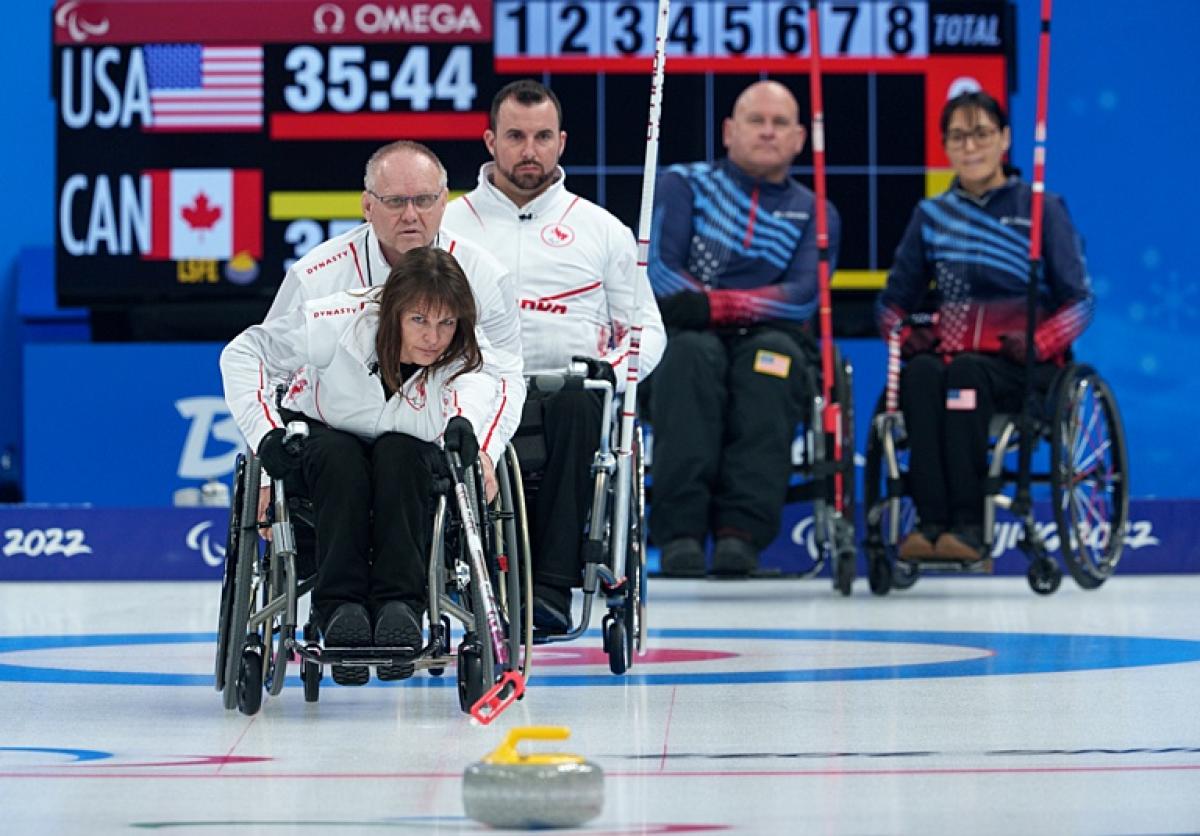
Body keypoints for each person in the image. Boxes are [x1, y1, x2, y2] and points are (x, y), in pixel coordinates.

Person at [443, 79, 666, 633]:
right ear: (490, 140)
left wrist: (613, 374)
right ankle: (470, 576)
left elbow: (647, 329)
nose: (529, 150)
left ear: (561, 142)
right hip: (476, 388)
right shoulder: (446, 224)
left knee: (579, 402)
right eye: (515, 136)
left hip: (566, 395)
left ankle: (547, 590)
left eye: (542, 136)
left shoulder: (602, 230)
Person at [221, 247, 496, 686]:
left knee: (400, 454)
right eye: (419, 320)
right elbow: (242, 354)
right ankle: (338, 610)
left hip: (405, 452)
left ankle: (400, 609)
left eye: (446, 323)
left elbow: (480, 386)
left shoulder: (460, 350)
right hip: (326, 435)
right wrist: (265, 433)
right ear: (392, 314)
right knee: (342, 459)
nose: (434, 337)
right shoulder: (333, 322)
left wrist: (469, 424)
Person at [877, 90, 1093, 562]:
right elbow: (892, 301)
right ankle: (932, 525)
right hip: (951, 360)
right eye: (958, 136)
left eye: (981, 134)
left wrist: (1039, 343)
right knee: (922, 374)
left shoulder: (1042, 209)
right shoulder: (931, 216)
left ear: (1005, 140)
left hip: (1022, 368)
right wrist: (904, 333)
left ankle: (970, 529)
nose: (970, 146)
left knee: (966, 375)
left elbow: (1080, 301)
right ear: (946, 146)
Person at [648, 79, 840, 578]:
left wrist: (714, 306)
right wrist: (732, 308)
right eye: (757, 120)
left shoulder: (817, 214)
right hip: (686, 338)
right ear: (730, 130)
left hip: (769, 342)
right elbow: (659, 272)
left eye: (781, 123)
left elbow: (803, 295)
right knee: (690, 357)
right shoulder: (681, 184)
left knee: (767, 367)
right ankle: (681, 535)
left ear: (799, 138)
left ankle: (741, 536)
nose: (769, 132)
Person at [266, 140, 525, 502]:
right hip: (334, 431)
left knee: (401, 455)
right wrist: (267, 476)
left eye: (423, 200)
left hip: (425, 435)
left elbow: (505, 376)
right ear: (367, 205)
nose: (410, 215)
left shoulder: (484, 275)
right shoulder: (316, 274)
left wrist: (486, 448)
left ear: (443, 201)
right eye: (395, 202)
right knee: (341, 460)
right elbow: (271, 373)